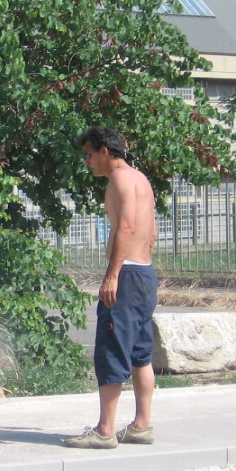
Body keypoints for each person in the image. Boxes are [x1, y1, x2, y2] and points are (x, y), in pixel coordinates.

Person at [64, 126, 158, 449]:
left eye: (89, 154)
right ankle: (141, 425)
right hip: (145, 273)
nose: (87, 161)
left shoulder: (119, 180)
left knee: (111, 350)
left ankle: (105, 430)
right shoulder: (140, 178)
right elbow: (153, 231)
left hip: (128, 276)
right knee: (140, 353)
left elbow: (128, 226)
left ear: (105, 151)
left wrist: (113, 274)